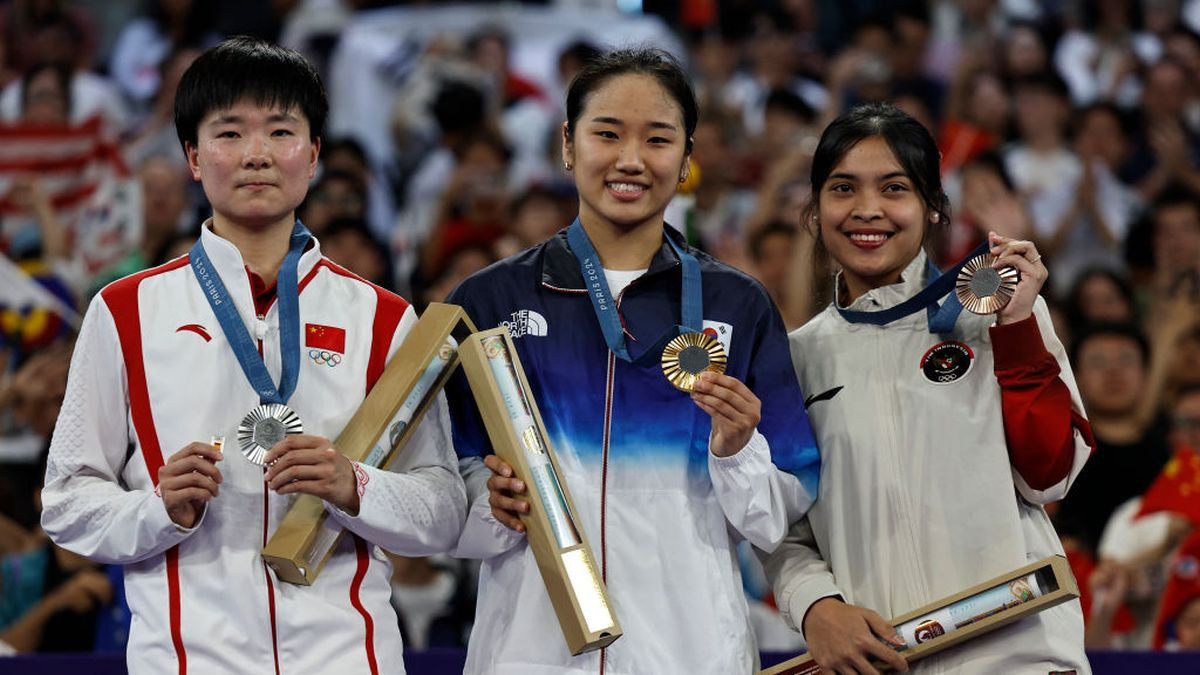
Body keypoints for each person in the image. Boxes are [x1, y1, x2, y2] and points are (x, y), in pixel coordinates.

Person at [39, 37, 466, 675]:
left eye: (282, 131)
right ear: (192, 156)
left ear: (314, 154)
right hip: (186, 660)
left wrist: (357, 485)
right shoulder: (126, 311)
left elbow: (443, 510)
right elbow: (67, 503)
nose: (257, 155)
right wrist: (158, 509)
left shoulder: (381, 318)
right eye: (230, 133)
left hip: (346, 657)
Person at [444, 47, 821, 674]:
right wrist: (491, 500)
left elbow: (779, 513)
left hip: (690, 650)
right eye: (607, 134)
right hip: (532, 651)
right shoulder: (489, 300)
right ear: (568, 144)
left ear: (686, 159)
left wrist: (735, 450)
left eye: (657, 139)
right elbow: (443, 484)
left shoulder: (738, 304)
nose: (630, 160)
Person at [763, 103, 1094, 674]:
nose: (868, 210)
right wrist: (815, 606)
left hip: (1019, 654)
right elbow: (784, 526)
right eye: (843, 189)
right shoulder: (795, 358)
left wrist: (1015, 330)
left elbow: (1049, 475)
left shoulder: (997, 313)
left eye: (894, 188)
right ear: (814, 212)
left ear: (934, 208)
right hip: (883, 661)